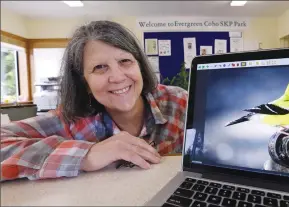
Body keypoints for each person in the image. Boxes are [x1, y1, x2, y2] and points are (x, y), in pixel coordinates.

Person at [0, 20, 188, 181]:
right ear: (85, 83)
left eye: (125, 61)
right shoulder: (70, 120)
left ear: (139, 65)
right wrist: (86, 155)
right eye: (100, 67)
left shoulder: (177, 101)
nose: (117, 77)